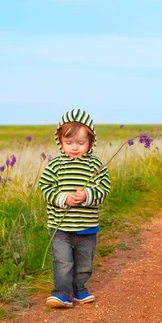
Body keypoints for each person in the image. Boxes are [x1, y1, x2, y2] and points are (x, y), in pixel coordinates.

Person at [39, 109, 111, 308]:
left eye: (81, 143)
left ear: (91, 141)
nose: (75, 148)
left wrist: (87, 195)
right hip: (60, 226)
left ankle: (79, 289)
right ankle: (61, 292)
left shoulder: (95, 166)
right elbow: (45, 188)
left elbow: (104, 189)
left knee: (84, 263)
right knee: (63, 261)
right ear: (60, 141)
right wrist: (64, 198)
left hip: (87, 226)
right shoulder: (55, 166)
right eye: (69, 143)